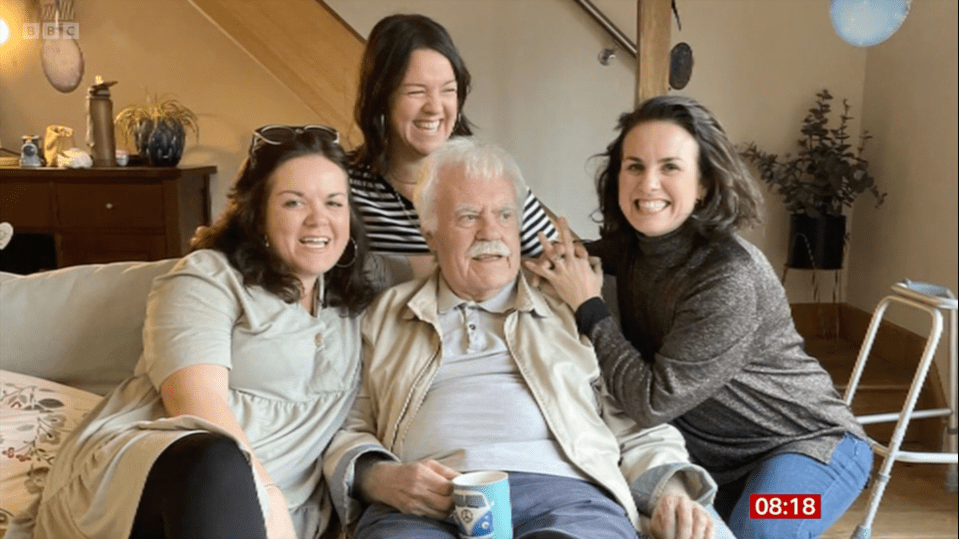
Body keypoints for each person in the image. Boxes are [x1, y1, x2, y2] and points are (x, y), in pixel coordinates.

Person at [323, 137, 734, 539]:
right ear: (430, 233)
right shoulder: (385, 315)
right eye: (468, 217)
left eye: (505, 215)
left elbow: (636, 421)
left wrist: (671, 492)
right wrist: (380, 478)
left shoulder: (568, 307)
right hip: (423, 508)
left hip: (564, 497)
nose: (492, 232)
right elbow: (346, 423)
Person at [524, 96, 872, 538]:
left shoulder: (729, 276)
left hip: (811, 451)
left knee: (760, 529)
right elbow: (563, 257)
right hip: (714, 462)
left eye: (670, 167)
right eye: (634, 166)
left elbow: (652, 402)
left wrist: (589, 307)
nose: (648, 184)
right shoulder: (631, 246)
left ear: (704, 182)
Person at [20, 125, 377, 539]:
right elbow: (196, 403)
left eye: (334, 203)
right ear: (257, 212)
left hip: (253, 507)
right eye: (294, 202)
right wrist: (267, 496)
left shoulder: (355, 305)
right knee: (218, 459)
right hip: (164, 476)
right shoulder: (208, 277)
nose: (320, 220)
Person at [349, 13, 557, 283]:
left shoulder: (490, 175)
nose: (435, 107)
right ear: (381, 97)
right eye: (416, 91)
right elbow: (332, 280)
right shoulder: (342, 186)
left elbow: (561, 271)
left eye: (448, 90)